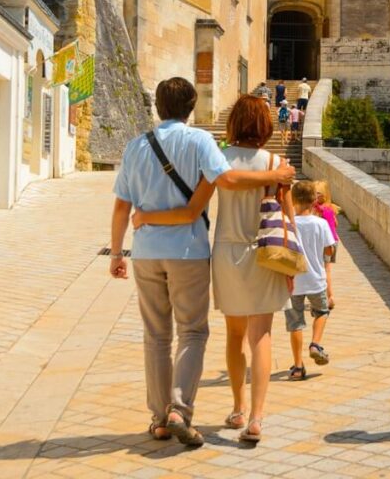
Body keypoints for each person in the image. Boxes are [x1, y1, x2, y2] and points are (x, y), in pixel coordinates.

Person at [110, 78, 295, 448]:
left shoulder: (136, 147)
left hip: (167, 253)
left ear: (157, 106)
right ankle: (209, 412)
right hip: (205, 253)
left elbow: (124, 206)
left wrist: (118, 250)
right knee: (203, 333)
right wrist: (275, 177)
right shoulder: (211, 146)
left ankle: (167, 418)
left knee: (162, 336)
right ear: (191, 107)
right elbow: (273, 210)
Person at [285, 181, 335, 379]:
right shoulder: (321, 223)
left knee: (295, 324)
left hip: (293, 281)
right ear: (315, 200)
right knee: (322, 311)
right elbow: (329, 249)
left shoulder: (289, 223)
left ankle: (298, 367)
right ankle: (315, 343)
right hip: (316, 279)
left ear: (294, 200)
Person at [313, 179, 340, 263]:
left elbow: (321, 210)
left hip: (328, 242)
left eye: (318, 193)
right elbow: (336, 224)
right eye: (313, 193)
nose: (315, 195)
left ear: (324, 195)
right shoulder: (329, 207)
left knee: (325, 267)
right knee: (324, 266)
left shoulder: (326, 208)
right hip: (330, 241)